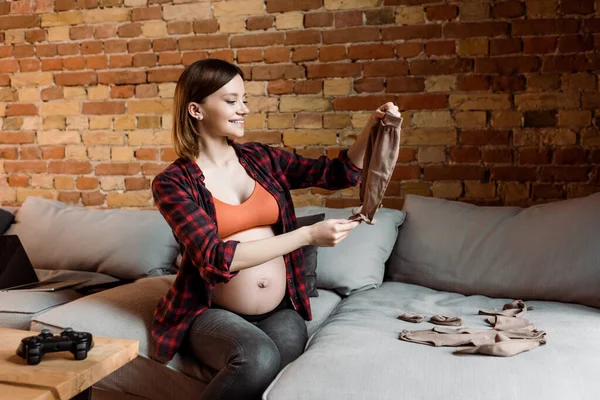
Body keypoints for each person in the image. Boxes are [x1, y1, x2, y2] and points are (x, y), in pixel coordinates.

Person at [150, 58, 400, 400]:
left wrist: (371, 128)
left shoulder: (261, 159)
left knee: (281, 372)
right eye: (231, 100)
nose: (244, 109)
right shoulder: (173, 183)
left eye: (245, 99)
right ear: (196, 109)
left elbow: (336, 173)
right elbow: (214, 258)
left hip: (281, 308)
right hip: (208, 310)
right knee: (258, 358)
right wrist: (308, 235)